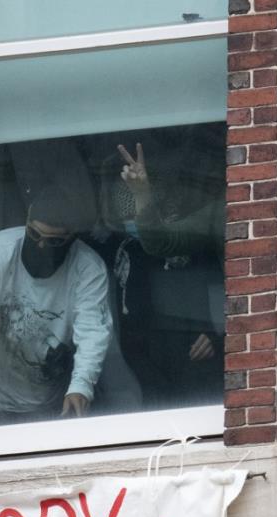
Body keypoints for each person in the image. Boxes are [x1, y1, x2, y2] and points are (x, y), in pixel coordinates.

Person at [0, 185, 112, 428]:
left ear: (72, 239)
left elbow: (92, 331)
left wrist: (81, 387)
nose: (41, 246)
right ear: (26, 224)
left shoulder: (88, 268)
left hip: (50, 401)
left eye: (53, 241)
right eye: (34, 236)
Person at [92, 136, 225, 408]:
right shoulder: (119, 247)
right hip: (142, 354)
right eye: (128, 220)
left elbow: (219, 284)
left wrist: (217, 333)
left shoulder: (189, 240)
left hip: (193, 347)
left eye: (137, 217)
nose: (133, 225)